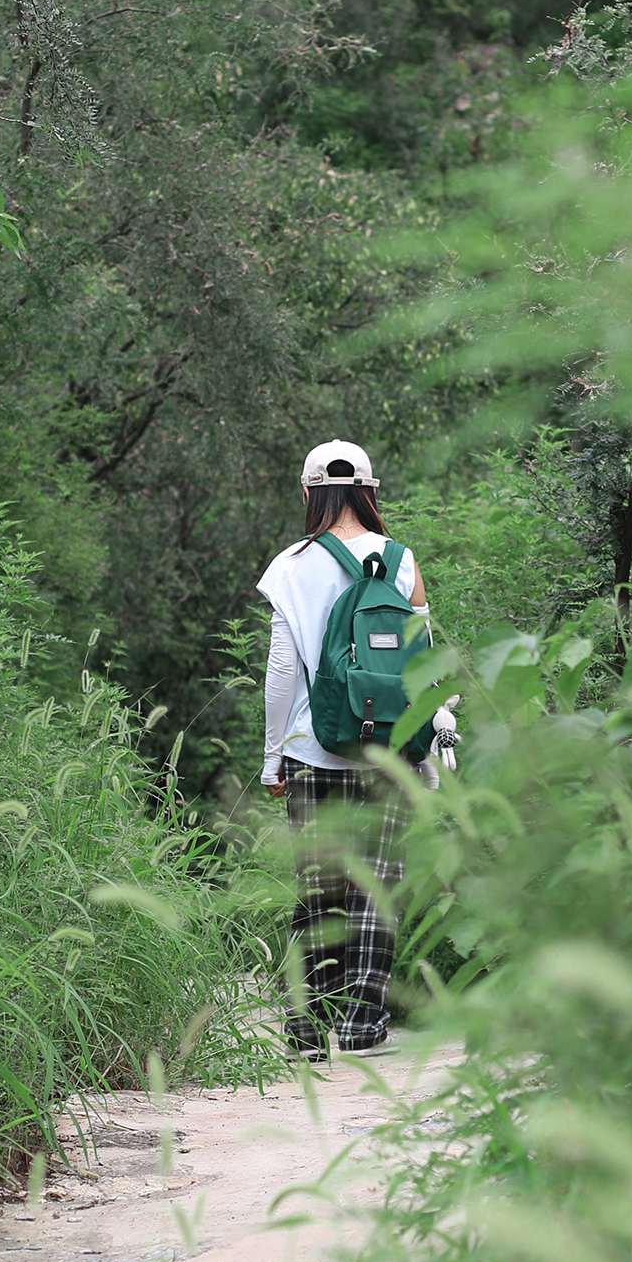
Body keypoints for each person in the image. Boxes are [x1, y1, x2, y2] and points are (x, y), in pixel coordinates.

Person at [258, 440, 435, 1059]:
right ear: (369, 491)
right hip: (389, 750)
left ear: (308, 492)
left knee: (317, 884)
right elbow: (424, 660)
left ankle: (308, 1025)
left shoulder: (289, 566)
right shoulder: (400, 559)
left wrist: (272, 756)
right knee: (377, 884)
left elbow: (282, 673)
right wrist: (430, 747)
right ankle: (363, 1024)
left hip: (313, 750)